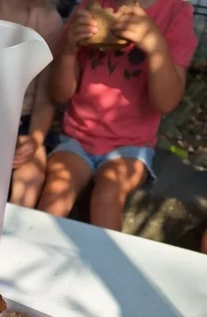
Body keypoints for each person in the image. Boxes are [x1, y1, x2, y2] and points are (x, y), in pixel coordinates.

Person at [38, 0, 197, 231]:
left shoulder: (176, 12)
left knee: (107, 195)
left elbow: (166, 102)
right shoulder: (89, 7)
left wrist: (156, 48)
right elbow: (60, 94)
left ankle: (107, 266)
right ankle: (37, 261)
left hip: (131, 146)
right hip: (77, 138)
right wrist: (68, 51)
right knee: (56, 192)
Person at [0, 0, 63, 208]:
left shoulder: (46, 19)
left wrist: (35, 138)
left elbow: (45, 97)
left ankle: (11, 233)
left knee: (30, 176)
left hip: (24, 122)